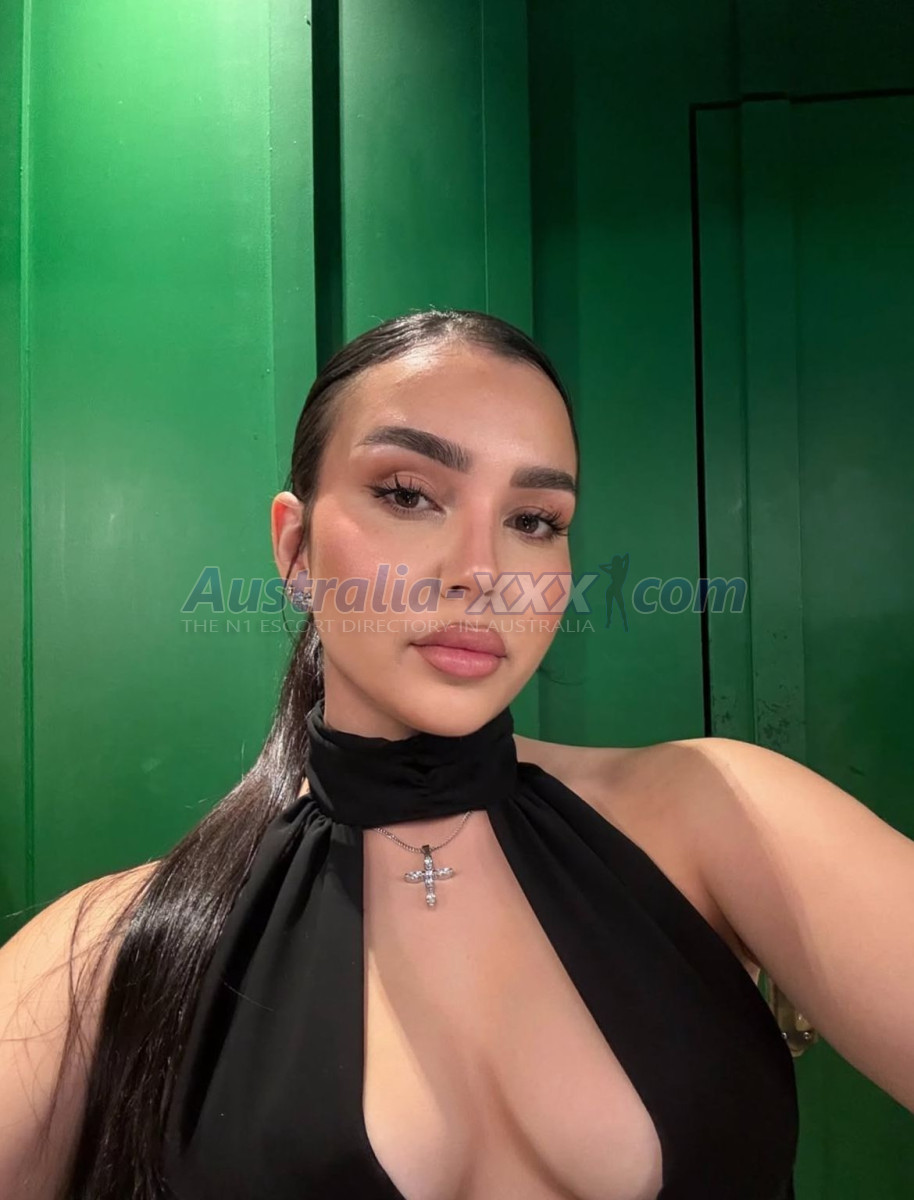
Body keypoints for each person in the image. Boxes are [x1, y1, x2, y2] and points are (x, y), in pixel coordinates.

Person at [2, 309, 912, 1200]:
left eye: (535, 519)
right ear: (296, 547)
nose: (483, 571)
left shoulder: (720, 813)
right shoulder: (106, 957)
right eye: (408, 494)